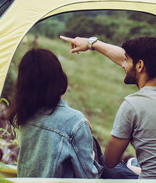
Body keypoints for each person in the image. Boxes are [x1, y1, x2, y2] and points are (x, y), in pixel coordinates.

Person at [60, 35, 156, 180]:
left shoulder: (132, 105)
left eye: (127, 60)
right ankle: (133, 165)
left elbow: (111, 161)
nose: (123, 64)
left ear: (140, 65)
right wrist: (91, 44)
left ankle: (132, 165)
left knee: (105, 165)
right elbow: (131, 59)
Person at [7, 48, 102, 178]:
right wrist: (92, 152)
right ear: (58, 78)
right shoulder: (75, 122)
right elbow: (89, 177)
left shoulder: (19, 115)